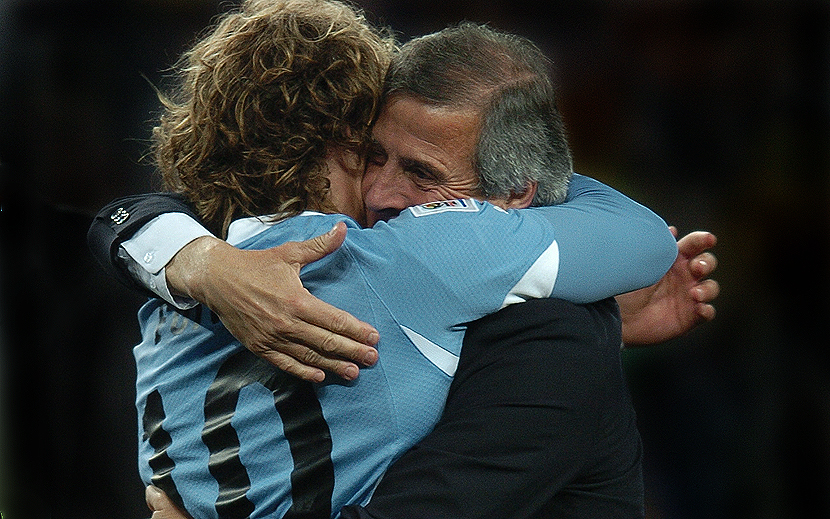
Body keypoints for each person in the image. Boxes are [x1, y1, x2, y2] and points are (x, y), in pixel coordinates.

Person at [87, 5, 715, 519]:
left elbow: (128, 220)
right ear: (335, 146)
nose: (384, 195)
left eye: (421, 172)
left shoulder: (168, 297)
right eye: (374, 156)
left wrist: (196, 260)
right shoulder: (413, 260)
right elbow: (643, 238)